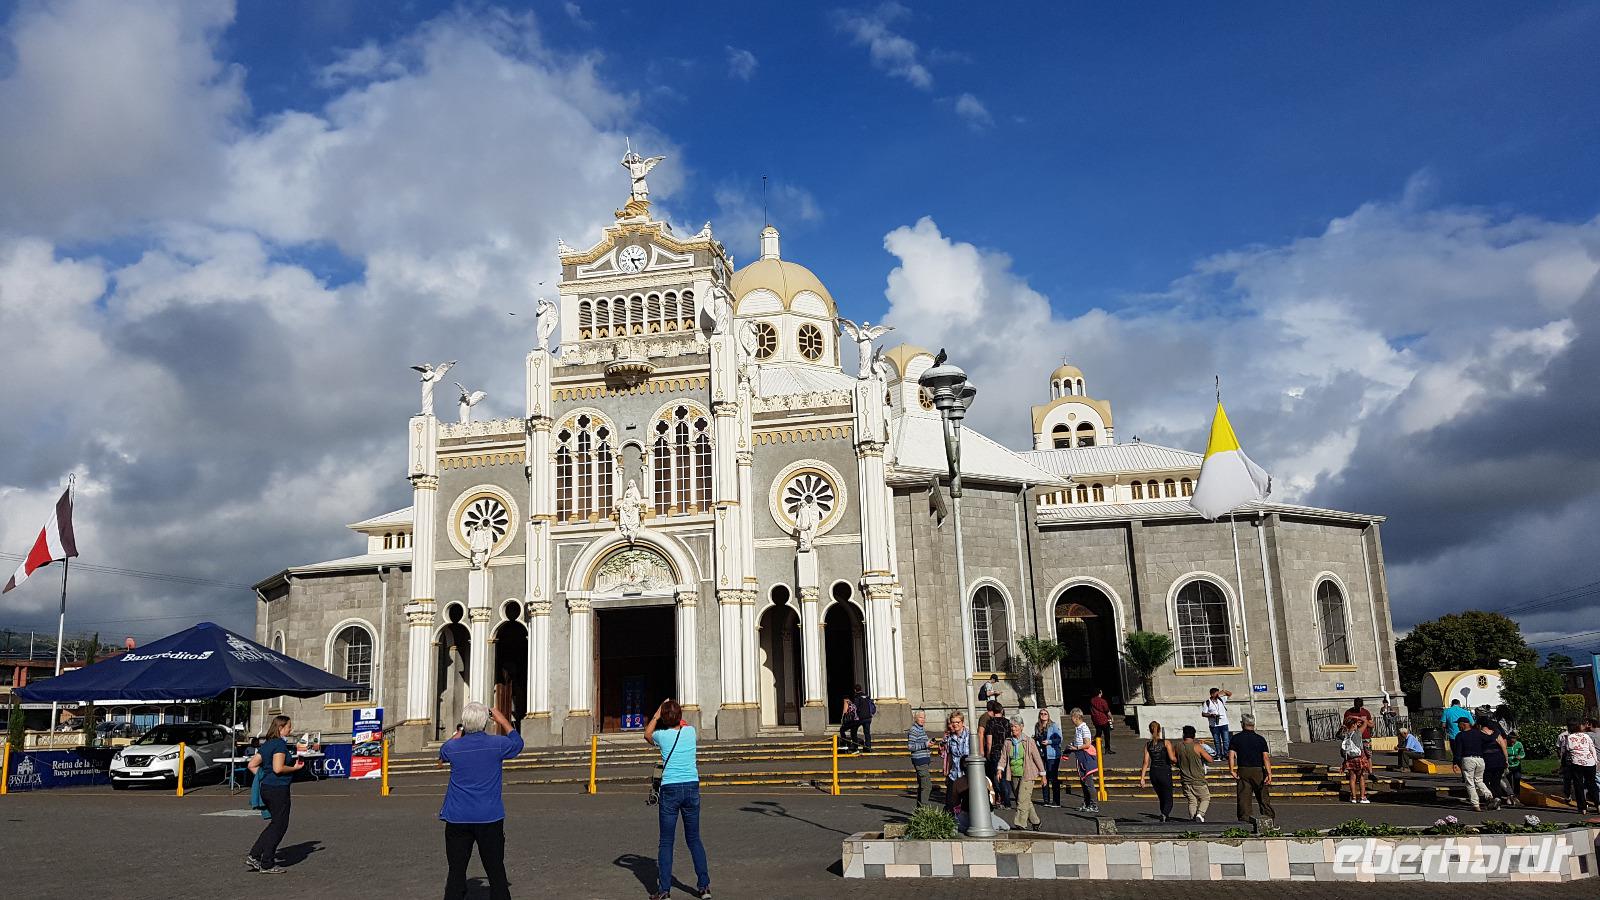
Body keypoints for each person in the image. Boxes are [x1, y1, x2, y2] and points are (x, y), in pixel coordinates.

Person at [439, 701, 525, 900]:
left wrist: (460, 731)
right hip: (488, 816)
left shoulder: (453, 747)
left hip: (457, 817)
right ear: (487, 721)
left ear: (464, 722)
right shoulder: (497, 744)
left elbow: (443, 750)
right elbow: (518, 743)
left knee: (456, 871)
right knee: (495, 869)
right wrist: (503, 719)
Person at [644, 699, 711, 900]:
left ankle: (664, 891)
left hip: (670, 789)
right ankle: (704, 887)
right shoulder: (690, 732)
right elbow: (681, 722)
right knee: (694, 839)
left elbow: (646, 734)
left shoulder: (661, 736)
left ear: (664, 718)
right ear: (680, 717)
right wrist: (672, 711)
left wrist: (657, 714)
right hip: (691, 787)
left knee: (666, 842)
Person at [246, 715, 305, 874]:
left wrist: (264, 776)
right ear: (280, 728)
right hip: (278, 788)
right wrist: (295, 768)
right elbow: (278, 768)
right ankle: (266, 861)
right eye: (288, 727)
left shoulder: (267, 745)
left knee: (275, 824)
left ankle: (256, 855)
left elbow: (252, 764)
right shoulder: (279, 745)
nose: (290, 729)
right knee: (280, 825)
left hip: (266, 787)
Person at [1228, 713, 1275, 824]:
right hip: (1258, 769)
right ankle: (1268, 820)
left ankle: (1245, 820)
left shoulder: (1236, 738)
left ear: (1242, 724)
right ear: (1253, 724)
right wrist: (1269, 773)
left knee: (1244, 797)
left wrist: (1232, 770)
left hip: (1243, 769)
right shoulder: (1260, 739)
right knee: (1263, 796)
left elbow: (1231, 755)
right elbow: (1265, 757)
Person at [1004, 716, 1046, 830]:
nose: (1013, 729)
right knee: (1024, 799)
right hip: (1014, 774)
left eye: (1015, 726)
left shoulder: (1029, 741)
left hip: (1027, 774)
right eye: (1011, 726)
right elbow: (1004, 757)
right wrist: (999, 769)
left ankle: (1020, 823)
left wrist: (1043, 775)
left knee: (1021, 800)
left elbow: (1037, 758)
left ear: (1021, 727)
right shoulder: (1008, 742)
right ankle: (1036, 821)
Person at [1451, 718, 1500, 812]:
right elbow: (1490, 739)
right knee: (1479, 780)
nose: (1457, 726)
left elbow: (1458, 751)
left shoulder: (1460, 736)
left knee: (1470, 783)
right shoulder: (1478, 733)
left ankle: (1475, 804)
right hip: (1480, 759)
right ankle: (1489, 797)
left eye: (1458, 724)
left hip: (1468, 759)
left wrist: (1455, 763)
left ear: (1464, 724)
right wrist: (1496, 731)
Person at [1138, 721, 1177, 821]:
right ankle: (1164, 814)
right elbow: (1172, 758)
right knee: (1168, 796)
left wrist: (1142, 778)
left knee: (1161, 796)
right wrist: (1178, 761)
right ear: (1159, 730)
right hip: (1164, 771)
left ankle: (1164, 814)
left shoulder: (1148, 745)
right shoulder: (1166, 743)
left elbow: (1145, 762)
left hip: (1154, 772)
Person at [1176, 725, 1215, 823]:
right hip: (1198, 778)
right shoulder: (1197, 746)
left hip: (1185, 779)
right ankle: (1200, 814)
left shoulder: (1178, 746)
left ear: (1184, 734)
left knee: (1192, 800)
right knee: (1205, 798)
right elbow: (1210, 759)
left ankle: (1192, 818)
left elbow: (1173, 758)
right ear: (1194, 735)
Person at [1562, 720, 1599, 815]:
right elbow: (1592, 748)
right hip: (1590, 762)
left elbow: (1568, 749)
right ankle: (1598, 804)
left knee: (1578, 785)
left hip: (1577, 763)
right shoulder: (1586, 736)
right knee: (1592, 783)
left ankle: (1582, 808)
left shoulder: (1569, 737)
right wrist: (1596, 761)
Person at [1067, 707, 1099, 813]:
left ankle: (1094, 804)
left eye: (1072, 717)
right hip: (1079, 757)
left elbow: (1087, 744)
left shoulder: (1084, 728)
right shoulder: (1078, 729)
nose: (1071, 720)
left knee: (1088, 782)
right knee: (1083, 781)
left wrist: (1076, 748)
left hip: (1085, 758)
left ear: (1076, 717)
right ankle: (1087, 802)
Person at [982, 700, 1013, 808]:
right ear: (1002, 710)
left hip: (995, 752)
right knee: (1006, 776)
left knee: (998, 777)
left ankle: (1004, 800)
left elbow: (989, 740)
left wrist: (988, 753)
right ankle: (1007, 800)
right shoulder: (1007, 722)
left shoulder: (990, 722)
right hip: (1006, 751)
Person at [941, 712, 970, 812]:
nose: (955, 724)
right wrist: (947, 773)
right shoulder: (950, 737)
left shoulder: (970, 736)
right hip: (954, 775)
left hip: (966, 776)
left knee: (966, 806)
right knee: (950, 805)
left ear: (962, 722)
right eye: (953, 722)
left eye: (957, 722)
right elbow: (948, 756)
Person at [1034, 708, 1063, 808]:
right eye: (1041, 714)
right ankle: (1046, 800)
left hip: (1052, 755)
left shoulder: (1053, 725)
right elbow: (1037, 738)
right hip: (1042, 754)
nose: (1043, 715)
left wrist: (1049, 742)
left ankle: (1056, 801)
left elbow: (1059, 739)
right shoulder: (1037, 726)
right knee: (1043, 776)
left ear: (1048, 715)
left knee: (1053, 777)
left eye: (1045, 714)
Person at [1338, 719, 1371, 804]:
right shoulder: (1357, 733)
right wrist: (1357, 718)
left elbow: (1338, 735)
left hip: (1349, 758)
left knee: (1352, 778)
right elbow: (1366, 722)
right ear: (1353, 725)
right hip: (1358, 757)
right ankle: (1363, 797)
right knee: (1361, 777)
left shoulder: (1346, 735)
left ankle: (1353, 797)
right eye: (1356, 724)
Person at [907, 711, 934, 808]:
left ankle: (919, 811)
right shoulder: (914, 730)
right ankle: (924, 810)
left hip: (924, 759)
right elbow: (910, 746)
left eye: (924, 717)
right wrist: (925, 745)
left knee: (922, 786)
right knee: (927, 786)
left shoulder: (921, 729)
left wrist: (928, 746)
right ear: (915, 718)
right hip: (919, 760)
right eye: (920, 717)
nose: (923, 720)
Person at [1201, 688, 1232, 759]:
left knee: (1226, 740)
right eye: (1216, 693)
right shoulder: (1207, 702)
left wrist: (1223, 691)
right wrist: (1211, 715)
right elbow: (1203, 714)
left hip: (1224, 723)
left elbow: (1230, 694)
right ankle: (1219, 754)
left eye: (1218, 693)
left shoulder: (1221, 699)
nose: (1218, 694)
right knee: (1217, 741)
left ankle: (1226, 754)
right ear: (1212, 694)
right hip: (1214, 725)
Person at [849, 683, 876, 754]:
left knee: (853, 731)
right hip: (868, 717)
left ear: (855, 690)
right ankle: (868, 747)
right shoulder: (867, 696)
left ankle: (855, 747)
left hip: (860, 718)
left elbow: (855, 708)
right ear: (861, 689)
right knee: (867, 733)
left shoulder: (857, 697)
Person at [1089, 689, 1114, 754]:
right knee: (1107, 734)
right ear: (1100, 693)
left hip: (1096, 719)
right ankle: (1107, 749)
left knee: (1098, 733)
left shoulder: (1092, 700)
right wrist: (1111, 717)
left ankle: (1094, 746)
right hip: (1103, 719)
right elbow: (1107, 710)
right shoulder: (1102, 701)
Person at [1506, 731, 1525, 799]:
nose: (1512, 741)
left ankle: (1517, 795)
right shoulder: (1505, 744)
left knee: (1517, 779)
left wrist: (1520, 756)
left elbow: (1522, 753)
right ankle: (1509, 795)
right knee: (1508, 781)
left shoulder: (1519, 744)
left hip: (1516, 765)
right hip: (1508, 765)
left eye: (1514, 739)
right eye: (1511, 739)